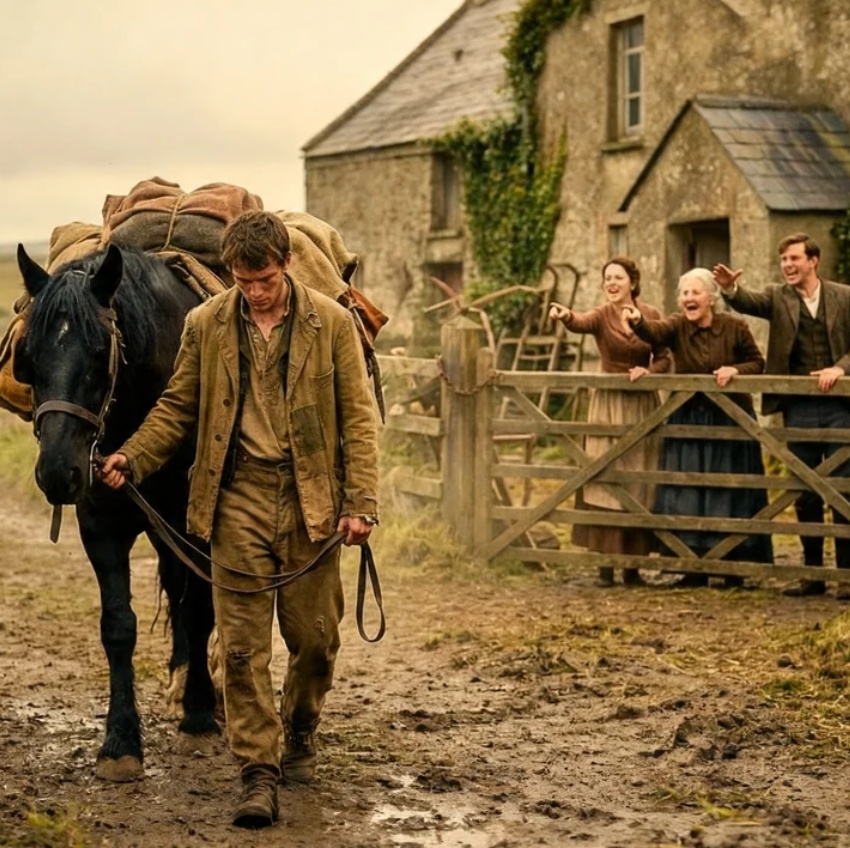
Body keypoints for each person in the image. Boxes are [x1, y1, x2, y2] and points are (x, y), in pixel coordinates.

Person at [98, 211, 380, 829]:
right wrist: (133, 456)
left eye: (266, 280)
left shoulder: (331, 323)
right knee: (243, 647)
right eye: (245, 281)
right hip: (237, 497)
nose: (255, 292)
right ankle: (258, 770)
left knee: (315, 641)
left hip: (312, 499)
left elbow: (358, 418)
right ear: (232, 273)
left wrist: (360, 502)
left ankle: (300, 727)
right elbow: (177, 406)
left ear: (286, 265)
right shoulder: (206, 324)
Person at [714, 233, 850, 598]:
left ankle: (846, 575)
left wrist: (840, 368)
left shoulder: (844, 296)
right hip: (798, 406)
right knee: (805, 489)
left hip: (840, 406)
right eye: (784, 260)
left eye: (794, 259)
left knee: (842, 487)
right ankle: (812, 574)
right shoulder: (778, 297)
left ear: (813, 260)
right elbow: (748, 301)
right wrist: (730, 289)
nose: (787, 266)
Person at [624, 268, 773, 587]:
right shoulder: (676, 325)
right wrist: (637, 321)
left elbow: (757, 362)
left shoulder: (735, 326)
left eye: (695, 292)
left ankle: (732, 567)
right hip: (688, 418)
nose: (688, 298)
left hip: (730, 421)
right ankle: (692, 567)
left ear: (711, 298)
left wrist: (735, 369)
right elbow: (654, 331)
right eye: (684, 293)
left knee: (729, 491)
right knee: (687, 491)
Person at [549, 257, 671, 587]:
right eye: (607, 278)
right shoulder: (602, 314)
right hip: (607, 405)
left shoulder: (651, 314)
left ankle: (632, 567)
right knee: (603, 477)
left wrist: (648, 371)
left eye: (618, 277)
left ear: (633, 282)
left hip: (640, 406)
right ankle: (604, 567)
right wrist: (565, 315)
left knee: (638, 479)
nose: (612, 283)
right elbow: (581, 322)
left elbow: (664, 356)